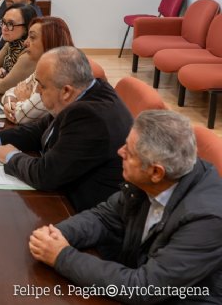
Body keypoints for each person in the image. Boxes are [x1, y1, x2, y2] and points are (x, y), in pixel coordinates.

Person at [30, 110, 222, 304]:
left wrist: (62, 257)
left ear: (156, 172)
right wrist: (56, 235)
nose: (120, 152)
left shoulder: (206, 221)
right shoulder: (156, 179)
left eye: (129, 152)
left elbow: (144, 288)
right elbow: (103, 217)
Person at [0, 46, 132, 212]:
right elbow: (39, 130)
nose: (37, 91)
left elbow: (46, 175)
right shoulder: (86, 93)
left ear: (66, 91)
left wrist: (11, 157)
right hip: (67, 192)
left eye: (42, 86)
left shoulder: (90, 117)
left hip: (81, 210)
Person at [0, 17, 74, 124]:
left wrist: (23, 100)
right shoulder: (44, 66)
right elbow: (9, 92)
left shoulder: (56, 75)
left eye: (32, 37)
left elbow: (21, 117)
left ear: (50, 41)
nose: (25, 43)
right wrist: (9, 103)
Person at [0, 3, 38, 94]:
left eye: (10, 24)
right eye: (3, 22)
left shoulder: (28, 54)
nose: (4, 28)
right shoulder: (11, 44)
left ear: (26, 28)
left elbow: (3, 87)